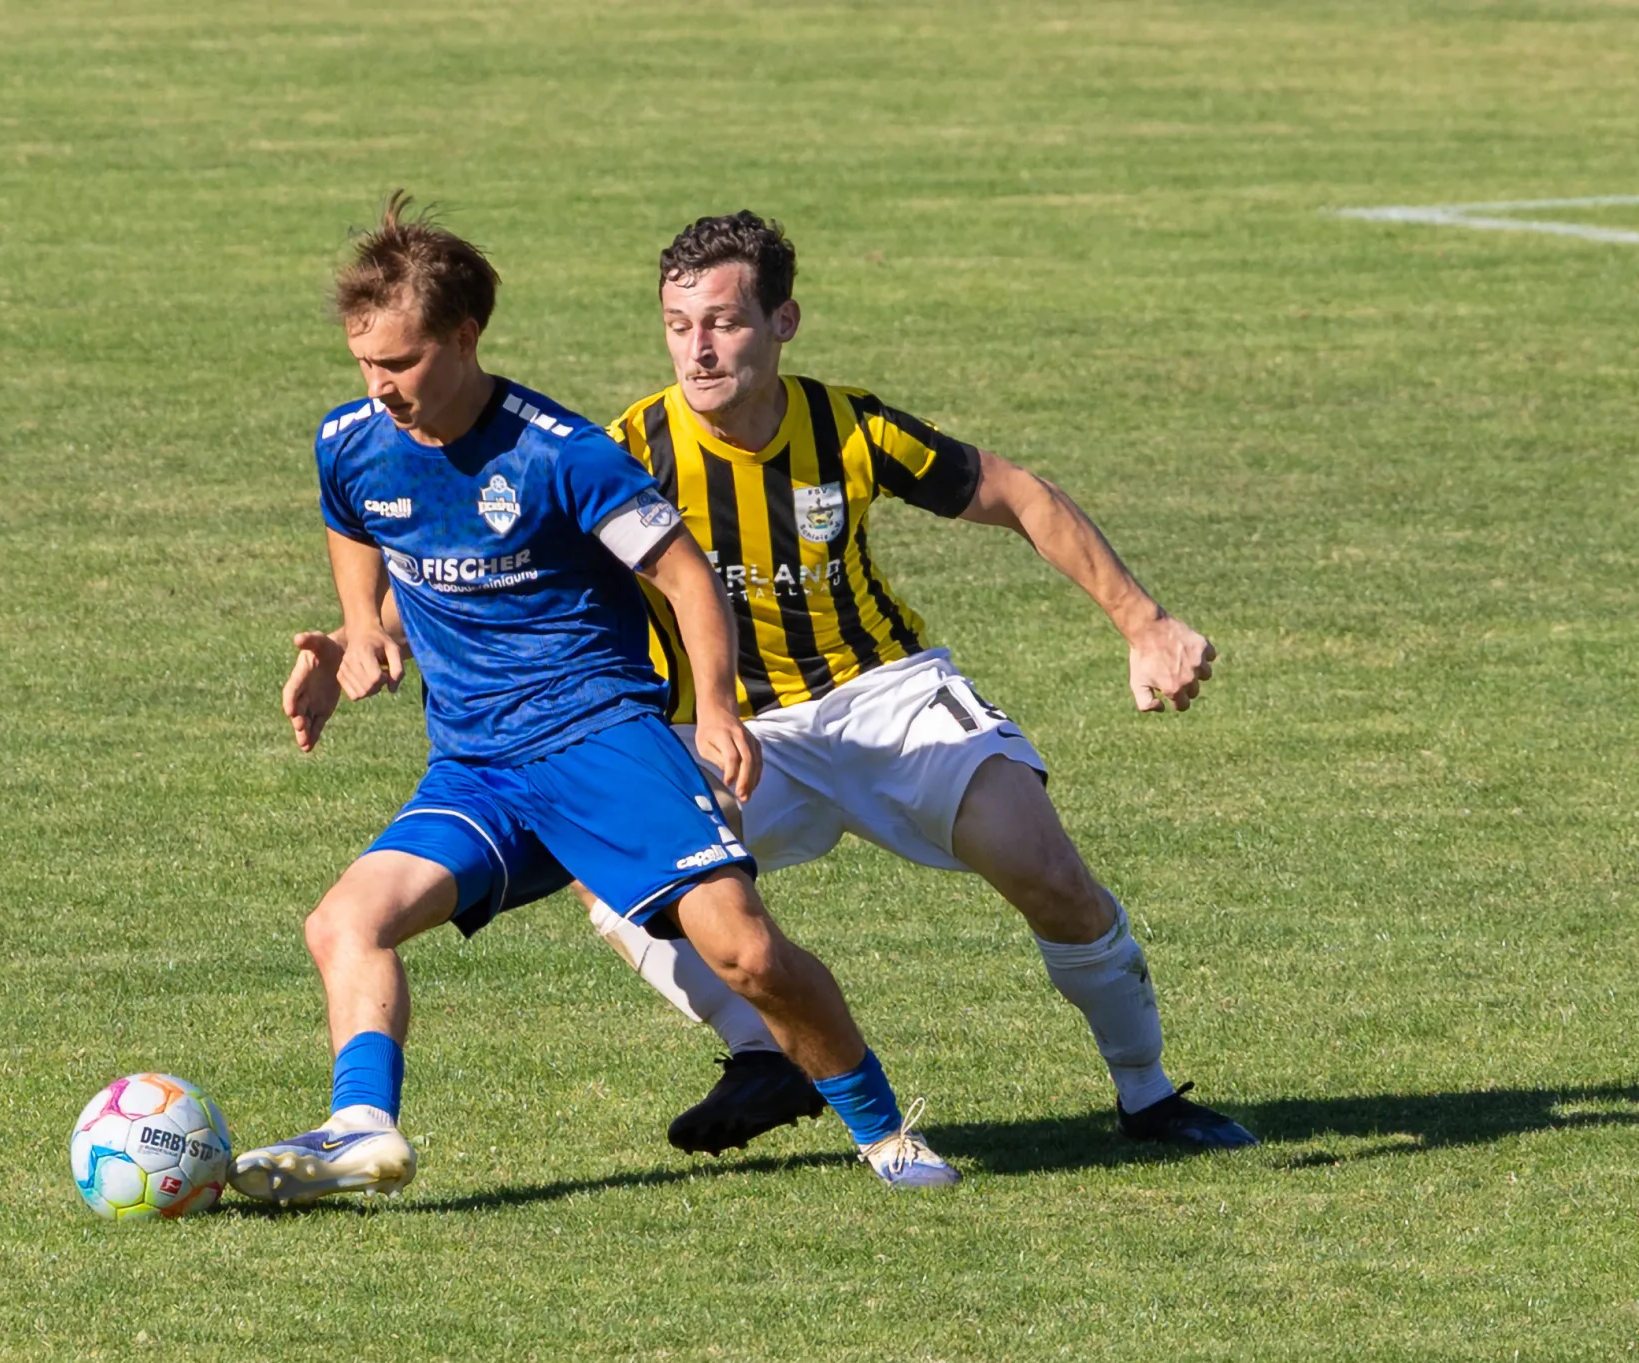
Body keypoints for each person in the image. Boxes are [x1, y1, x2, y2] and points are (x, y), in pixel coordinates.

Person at [287, 210, 1256, 1161]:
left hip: (881, 696)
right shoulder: (631, 444)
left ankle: (1146, 1091)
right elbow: (488, 565)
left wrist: (1143, 622)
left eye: (722, 323)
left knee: (1044, 869)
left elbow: (1018, 495)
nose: (696, 351)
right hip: (734, 729)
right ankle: (767, 1052)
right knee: (613, 892)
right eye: (677, 326)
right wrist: (357, 630)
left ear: (780, 323)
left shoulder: (850, 429)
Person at [229, 195, 961, 1206]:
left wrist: (712, 709)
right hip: (479, 766)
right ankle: (361, 1124)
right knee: (343, 923)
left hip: (602, 743)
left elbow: (686, 575)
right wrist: (359, 630)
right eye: (365, 363)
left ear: (463, 336)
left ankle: (882, 1131)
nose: (381, 386)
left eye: (399, 362)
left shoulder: (557, 454)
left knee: (744, 949)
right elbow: (350, 514)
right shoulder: (351, 438)